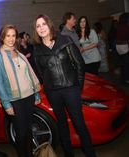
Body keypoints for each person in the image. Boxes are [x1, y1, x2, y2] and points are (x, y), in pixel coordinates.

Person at [32, 14, 97, 157]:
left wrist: (77, 87)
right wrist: (49, 86)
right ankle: (68, 153)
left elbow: (79, 64)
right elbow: (41, 73)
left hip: (71, 90)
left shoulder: (64, 40)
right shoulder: (37, 49)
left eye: (43, 24)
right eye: (38, 26)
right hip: (53, 92)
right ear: (36, 30)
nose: (41, 28)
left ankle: (90, 153)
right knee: (61, 124)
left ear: (49, 25)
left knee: (79, 124)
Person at [0, 24, 41, 157]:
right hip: (15, 101)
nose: (11, 39)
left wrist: (36, 93)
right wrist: (6, 104)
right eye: (8, 36)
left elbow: (29, 75)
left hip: (29, 97)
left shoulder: (19, 53)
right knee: (21, 132)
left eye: (13, 35)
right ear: (2, 37)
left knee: (29, 131)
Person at [116, 13, 129, 85]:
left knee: (123, 64)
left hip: (118, 46)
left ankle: (123, 79)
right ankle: (126, 79)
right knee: (126, 64)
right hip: (124, 47)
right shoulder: (125, 27)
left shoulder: (119, 26)